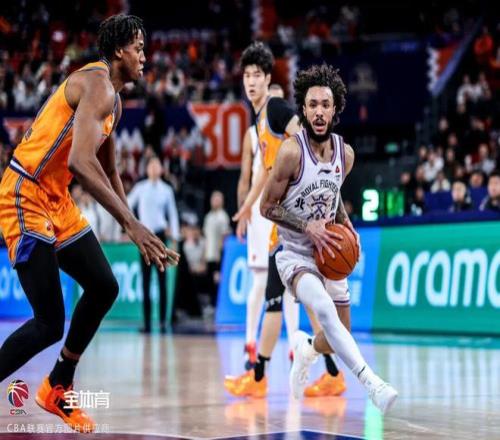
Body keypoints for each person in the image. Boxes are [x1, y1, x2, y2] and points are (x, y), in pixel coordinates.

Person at [0, 15, 179, 432]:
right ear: (119, 50)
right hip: (24, 191)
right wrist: (131, 225)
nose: (144, 57)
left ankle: (58, 385)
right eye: (139, 48)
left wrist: (134, 226)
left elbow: (109, 170)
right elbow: (81, 162)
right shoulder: (97, 84)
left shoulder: (113, 100)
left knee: (104, 286)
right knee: (49, 322)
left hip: (56, 198)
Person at [260, 64, 397, 413]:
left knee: (337, 337)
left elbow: (332, 198)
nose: (319, 112)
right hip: (296, 254)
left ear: (335, 109)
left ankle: (306, 349)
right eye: (312, 105)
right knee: (322, 308)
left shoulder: (345, 155)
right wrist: (307, 226)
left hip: (331, 250)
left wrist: (347, 227)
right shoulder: (291, 152)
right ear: (304, 110)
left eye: (325, 104)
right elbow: (266, 207)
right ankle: (372, 383)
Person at [225, 42, 344, 398]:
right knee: (294, 301)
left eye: (257, 75)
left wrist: (315, 183)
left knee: (283, 299)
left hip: (295, 220)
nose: (251, 81)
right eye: (246, 75)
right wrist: (248, 207)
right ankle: (327, 373)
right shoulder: (260, 121)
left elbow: (305, 136)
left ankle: (261, 377)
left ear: (267, 79)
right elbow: (266, 173)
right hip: (283, 221)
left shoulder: (276, 109)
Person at [128, 156, 180, 333]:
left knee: (162, 278)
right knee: (145, 280)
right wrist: (130, 227)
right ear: (147, 169)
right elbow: (127, 205)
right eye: (151, 165)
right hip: (144, 236)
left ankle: (164, 322)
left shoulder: (166, 190)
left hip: (159, 236)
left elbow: (172, 214)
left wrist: (175, 236)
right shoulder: (140, 188)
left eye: (157, 165)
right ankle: (147, 323)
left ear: (161, 169)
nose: (154, 168)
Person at [203, 190, 231, 313]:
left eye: (218, 199)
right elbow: (206, 237)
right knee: (209, 281)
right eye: (213, 199)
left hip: (217, 255)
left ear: (222, 201)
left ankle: (217, 305)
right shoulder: (208, 217)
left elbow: (224, 237)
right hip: (209, 255)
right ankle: (211, 304)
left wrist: (221, 254)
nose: (215, 201)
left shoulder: (223, 217)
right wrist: (204, 256)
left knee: (217, 280)